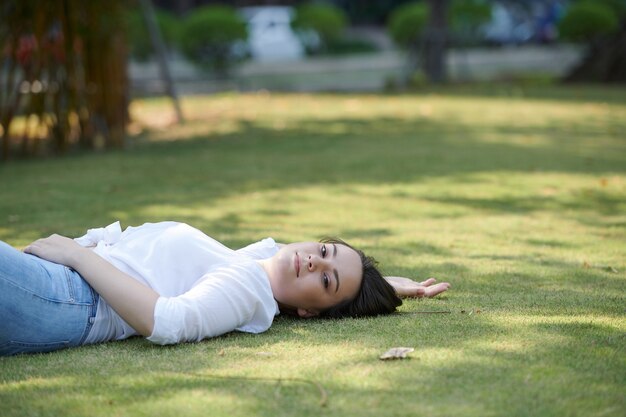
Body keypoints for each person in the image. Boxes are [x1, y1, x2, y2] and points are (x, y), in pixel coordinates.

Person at [0, 221, 450, 356]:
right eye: (325, 250)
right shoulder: (257, 259)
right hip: (58, 288)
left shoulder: (248, 287)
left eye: (325, 279)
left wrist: (80, 255)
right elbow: (291, 255)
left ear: (310, 312)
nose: (315, 261)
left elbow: (168, 321)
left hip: (69, 298)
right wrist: (388, 285)